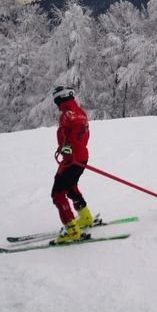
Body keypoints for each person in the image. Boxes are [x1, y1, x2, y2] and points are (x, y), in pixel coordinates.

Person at [51, 86, 100, 243]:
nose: (56, 104)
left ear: (61, 99)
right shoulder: (77, 112)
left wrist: (68, 151)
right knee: (71, 187)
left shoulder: (68, 114)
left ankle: (72, 230)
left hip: (73, 159)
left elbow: (75, 138)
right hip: (78, 158)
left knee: (58, 194)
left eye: (56, 101)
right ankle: (85, 217)